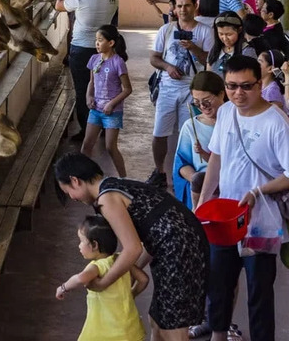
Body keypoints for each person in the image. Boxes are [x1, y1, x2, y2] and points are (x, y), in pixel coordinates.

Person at [55, 153, 210, 340]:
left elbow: (132, 249)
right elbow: (140, 243)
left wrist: (105, 282)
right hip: (178, 244)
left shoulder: (107, 198)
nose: (72, 198)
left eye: (67, 192)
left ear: (75, 180)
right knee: (158, 319)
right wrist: (128, 272)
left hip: (180, 249)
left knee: (172, 327)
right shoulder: (112, 184)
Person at [197, 56, 289, 341]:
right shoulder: (225, 113)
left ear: (259, 85)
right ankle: (218, 335)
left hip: (261, 221)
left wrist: (258, 191)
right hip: (224, 217)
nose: (239, 93)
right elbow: (217, 159)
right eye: (232, 86)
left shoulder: (277, 123)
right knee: (219, 283)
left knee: (259, 289)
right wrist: (202, 201)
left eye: (246, 86)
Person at [148, 0, 214, 188]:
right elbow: (154, 58)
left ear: (195, 6)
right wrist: (168, 67)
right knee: (159, 132)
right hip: (168, 88)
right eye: (179, 6)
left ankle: (190, 172)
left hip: (192, 89)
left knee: (191, 133)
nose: (183, 10)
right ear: (174, 9)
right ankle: (159, 170)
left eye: (187, 5)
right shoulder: (166, 30)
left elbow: (209, 60)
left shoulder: (204, 31)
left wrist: (193, 48)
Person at [55, 215, 148, 341]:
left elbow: (81, 278)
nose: (79, 246)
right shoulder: (121, 260)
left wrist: (63, 287)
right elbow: (144, 280)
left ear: (94, 245)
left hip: (105, 331)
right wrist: (131, 294)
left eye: (81, 241)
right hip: (129, 329)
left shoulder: (97, 267)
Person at [57, 0, 119, 139]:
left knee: (83, 89)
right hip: (103, 50)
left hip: (81, 50)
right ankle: (105, 128)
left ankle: (86, 129)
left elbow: (58, 5)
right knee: (103, 89)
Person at [82, 25, 132, 176]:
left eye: (100, 40)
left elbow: (128, 89)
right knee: (86, 145)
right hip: (96, 110)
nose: (96, 43)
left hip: (112, 112)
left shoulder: (118, 62)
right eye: (96, 40)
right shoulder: (94, 59)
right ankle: (84, 177)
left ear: (110, 43)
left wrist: (112, 103)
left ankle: (123, 178)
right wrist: (88, 96)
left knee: (110, 147)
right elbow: (92, 81)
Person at [173, 71, 225, 211]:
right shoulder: (190, 126)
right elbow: (181, 164)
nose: (202, 106)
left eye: (207, 101)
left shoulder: (235, 123)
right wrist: (198, 179)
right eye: (197, 102)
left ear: (222, 94)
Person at [206, 12, 256, 77]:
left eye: (229, 34)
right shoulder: (215, 50)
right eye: (221, 34)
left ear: (239, 30)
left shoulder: (247, 52)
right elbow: (208, 74)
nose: (225, 38)